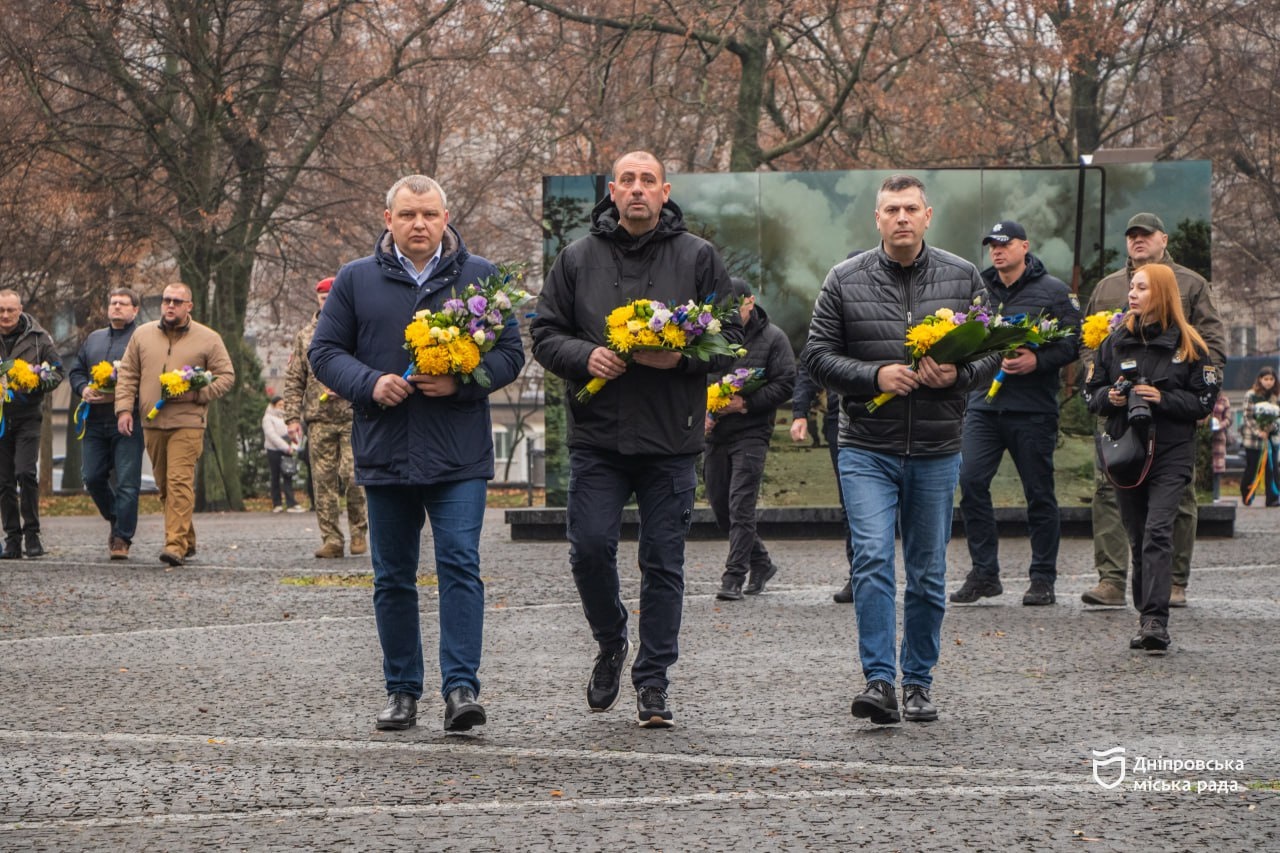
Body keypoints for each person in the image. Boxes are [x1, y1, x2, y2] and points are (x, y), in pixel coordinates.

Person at [531, 150, 742, 729]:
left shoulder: (698, 257)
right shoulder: (577, 258)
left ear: (665, 190)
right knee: (590, 549)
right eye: (628, 180)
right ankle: (610, 640)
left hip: (670, 440)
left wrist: (678, 359)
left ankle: (653, 681)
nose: (638, 190)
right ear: (612, 189)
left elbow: (732, 338)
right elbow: (544, 334)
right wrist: (585, 355)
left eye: (648, 180)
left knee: (663, 563)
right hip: (597, 438)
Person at [309, 175, 523, 733]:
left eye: (429, 214)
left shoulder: (481, 279)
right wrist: (370, 383)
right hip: (386, 451)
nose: (420, 224)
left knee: (459, 565)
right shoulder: (356, 280)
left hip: (458, 454)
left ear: (446, 216)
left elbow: (511, 353)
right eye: (407, 215)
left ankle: (461, 690)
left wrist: (465, 382)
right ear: (388, 219)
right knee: (393, 577)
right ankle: (402, 690)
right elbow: (325, 352)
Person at [802, 174, 997, 725]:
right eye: (892, 209)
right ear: (878, 219)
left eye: (911, 208)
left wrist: (957, 373)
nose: (902, 218)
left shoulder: (963, 278)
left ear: (928, 215)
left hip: (937, 447)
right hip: (866, 445)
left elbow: (992, 355)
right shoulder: (844, 279)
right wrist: (875, 375)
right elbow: (816, 354)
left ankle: (918, 682)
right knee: (871, 559)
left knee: (929, 571)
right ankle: (880, 680)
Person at [1081, 212, 1226, 609]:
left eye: (1145, 234)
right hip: (1121, 418)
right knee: (1109, 492)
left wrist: (1195, 391)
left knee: (1174, 503)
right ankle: (1111, 579)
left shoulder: (1191, 284)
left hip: (1172, 418)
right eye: (1131, 235)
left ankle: (1173, 581)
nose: (1137, 241)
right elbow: (1088, 344)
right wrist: (1102, 381)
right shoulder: (1109, 286)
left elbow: (1211, 345)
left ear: (1164, 238)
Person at [952, 221, 1082, 606]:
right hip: (983, 406)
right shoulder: (979, 290)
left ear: (1025, 246)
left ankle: (1043, 577)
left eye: (1004, 243)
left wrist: (1037, 359)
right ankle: (984, 574)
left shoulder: (1054, 292)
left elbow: (1074, 344)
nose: (997, 250)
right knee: (971, 482)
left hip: (1032, 410)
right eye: (992, 244)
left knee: (1039, 494)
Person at [114, 283, 235, 567]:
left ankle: (175, 545)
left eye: (177, 301)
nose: (170, 305)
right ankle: (187, 537)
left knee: (179, 481)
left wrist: (198, 393)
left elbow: (226, 376)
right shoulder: (142, 335)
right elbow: (128, 374)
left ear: (188, 306)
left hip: (188, 422)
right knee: (165, 487)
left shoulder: (208, 338)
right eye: (166, 300)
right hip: (152, 422)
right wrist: (123, 410)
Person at [705, 277, 796, 600]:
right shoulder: (711, 336)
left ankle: (733, 578)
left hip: (752, 432)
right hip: (716, 434)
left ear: (750, 302)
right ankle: (761, 562)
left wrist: (746, 403)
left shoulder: (773, 339)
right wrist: (705, 410)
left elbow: (785, 383)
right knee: (721, 509)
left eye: (734, 308)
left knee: (740, 505)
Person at [283, 277, 368, 557]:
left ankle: (359, 530)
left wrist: (349, 387)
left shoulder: (355, 329)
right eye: (322, 298)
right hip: (319, 418)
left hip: (351, 415)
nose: (327, 302)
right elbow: (295, 378)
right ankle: (332, 539)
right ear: (317, 300)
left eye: (332, 296)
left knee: (352, 474)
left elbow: (369, 368)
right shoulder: (306, 335)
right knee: (323, 481)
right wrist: (292, 417)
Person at [68, 288, 145, 560]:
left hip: (128, 420)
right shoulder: (94, 338)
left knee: (127, 482)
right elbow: (76, 370)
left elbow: (148, 377)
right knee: (92, 476)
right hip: (95, 421)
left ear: (135, 310)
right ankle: (116, 517)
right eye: (113, 303)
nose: (117, 307)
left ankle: (122, 538)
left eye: (123, 304)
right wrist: (82, 388)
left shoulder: (142, 338)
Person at [0, 289, 63, 559]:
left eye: (10, 310)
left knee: (25, 473)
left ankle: (32, 533)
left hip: (28, 416)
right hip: (1, 418)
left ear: (20, 309)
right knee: (3, 481)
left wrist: (40, 381)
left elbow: (58, 370)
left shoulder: (39, 338)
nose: (5, 315)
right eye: (0, 310)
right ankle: (12, 538)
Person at [791, 361, 855, 602]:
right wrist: (800, 413)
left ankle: (915, 579)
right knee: (851, 503)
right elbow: (811, 365)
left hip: (896, 420)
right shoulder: (829, 322)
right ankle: (860, 575)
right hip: (842, 421)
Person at [1240, 366, 1279, 506]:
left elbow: (1277, 417)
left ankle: (1273, 498)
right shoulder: (1251, 395)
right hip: (1253, 440)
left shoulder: (1276, 396)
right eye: (1266, 379)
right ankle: (1247, 494)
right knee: (1252, 469)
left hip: (1271, 440)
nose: (1269, 382)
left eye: (1271, 379)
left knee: (1272, 468)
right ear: (1260, 379)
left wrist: (1271, 428)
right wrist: (1259, 431)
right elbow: (1247, 417)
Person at [261, 395, 303, 513]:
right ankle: (277, 503)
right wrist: (285, 447)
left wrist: (294, 445)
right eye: (279, 405)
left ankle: (291, 503)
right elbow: (271, 435)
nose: (282, 407)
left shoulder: (286, 417)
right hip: (274, 450)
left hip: (288, 450)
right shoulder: (268, 418)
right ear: (273, 405)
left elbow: (293, 432)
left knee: (288, 476)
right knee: (275, 476)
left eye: (283, 405)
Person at [1209, 392, 1232, 502]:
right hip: (1202, 436)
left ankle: (1216, 495)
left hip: (1218, 437)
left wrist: (1219, 424)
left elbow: (1228, 419)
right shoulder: (1202, 395)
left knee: (1217, 466)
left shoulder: (1223, 399)